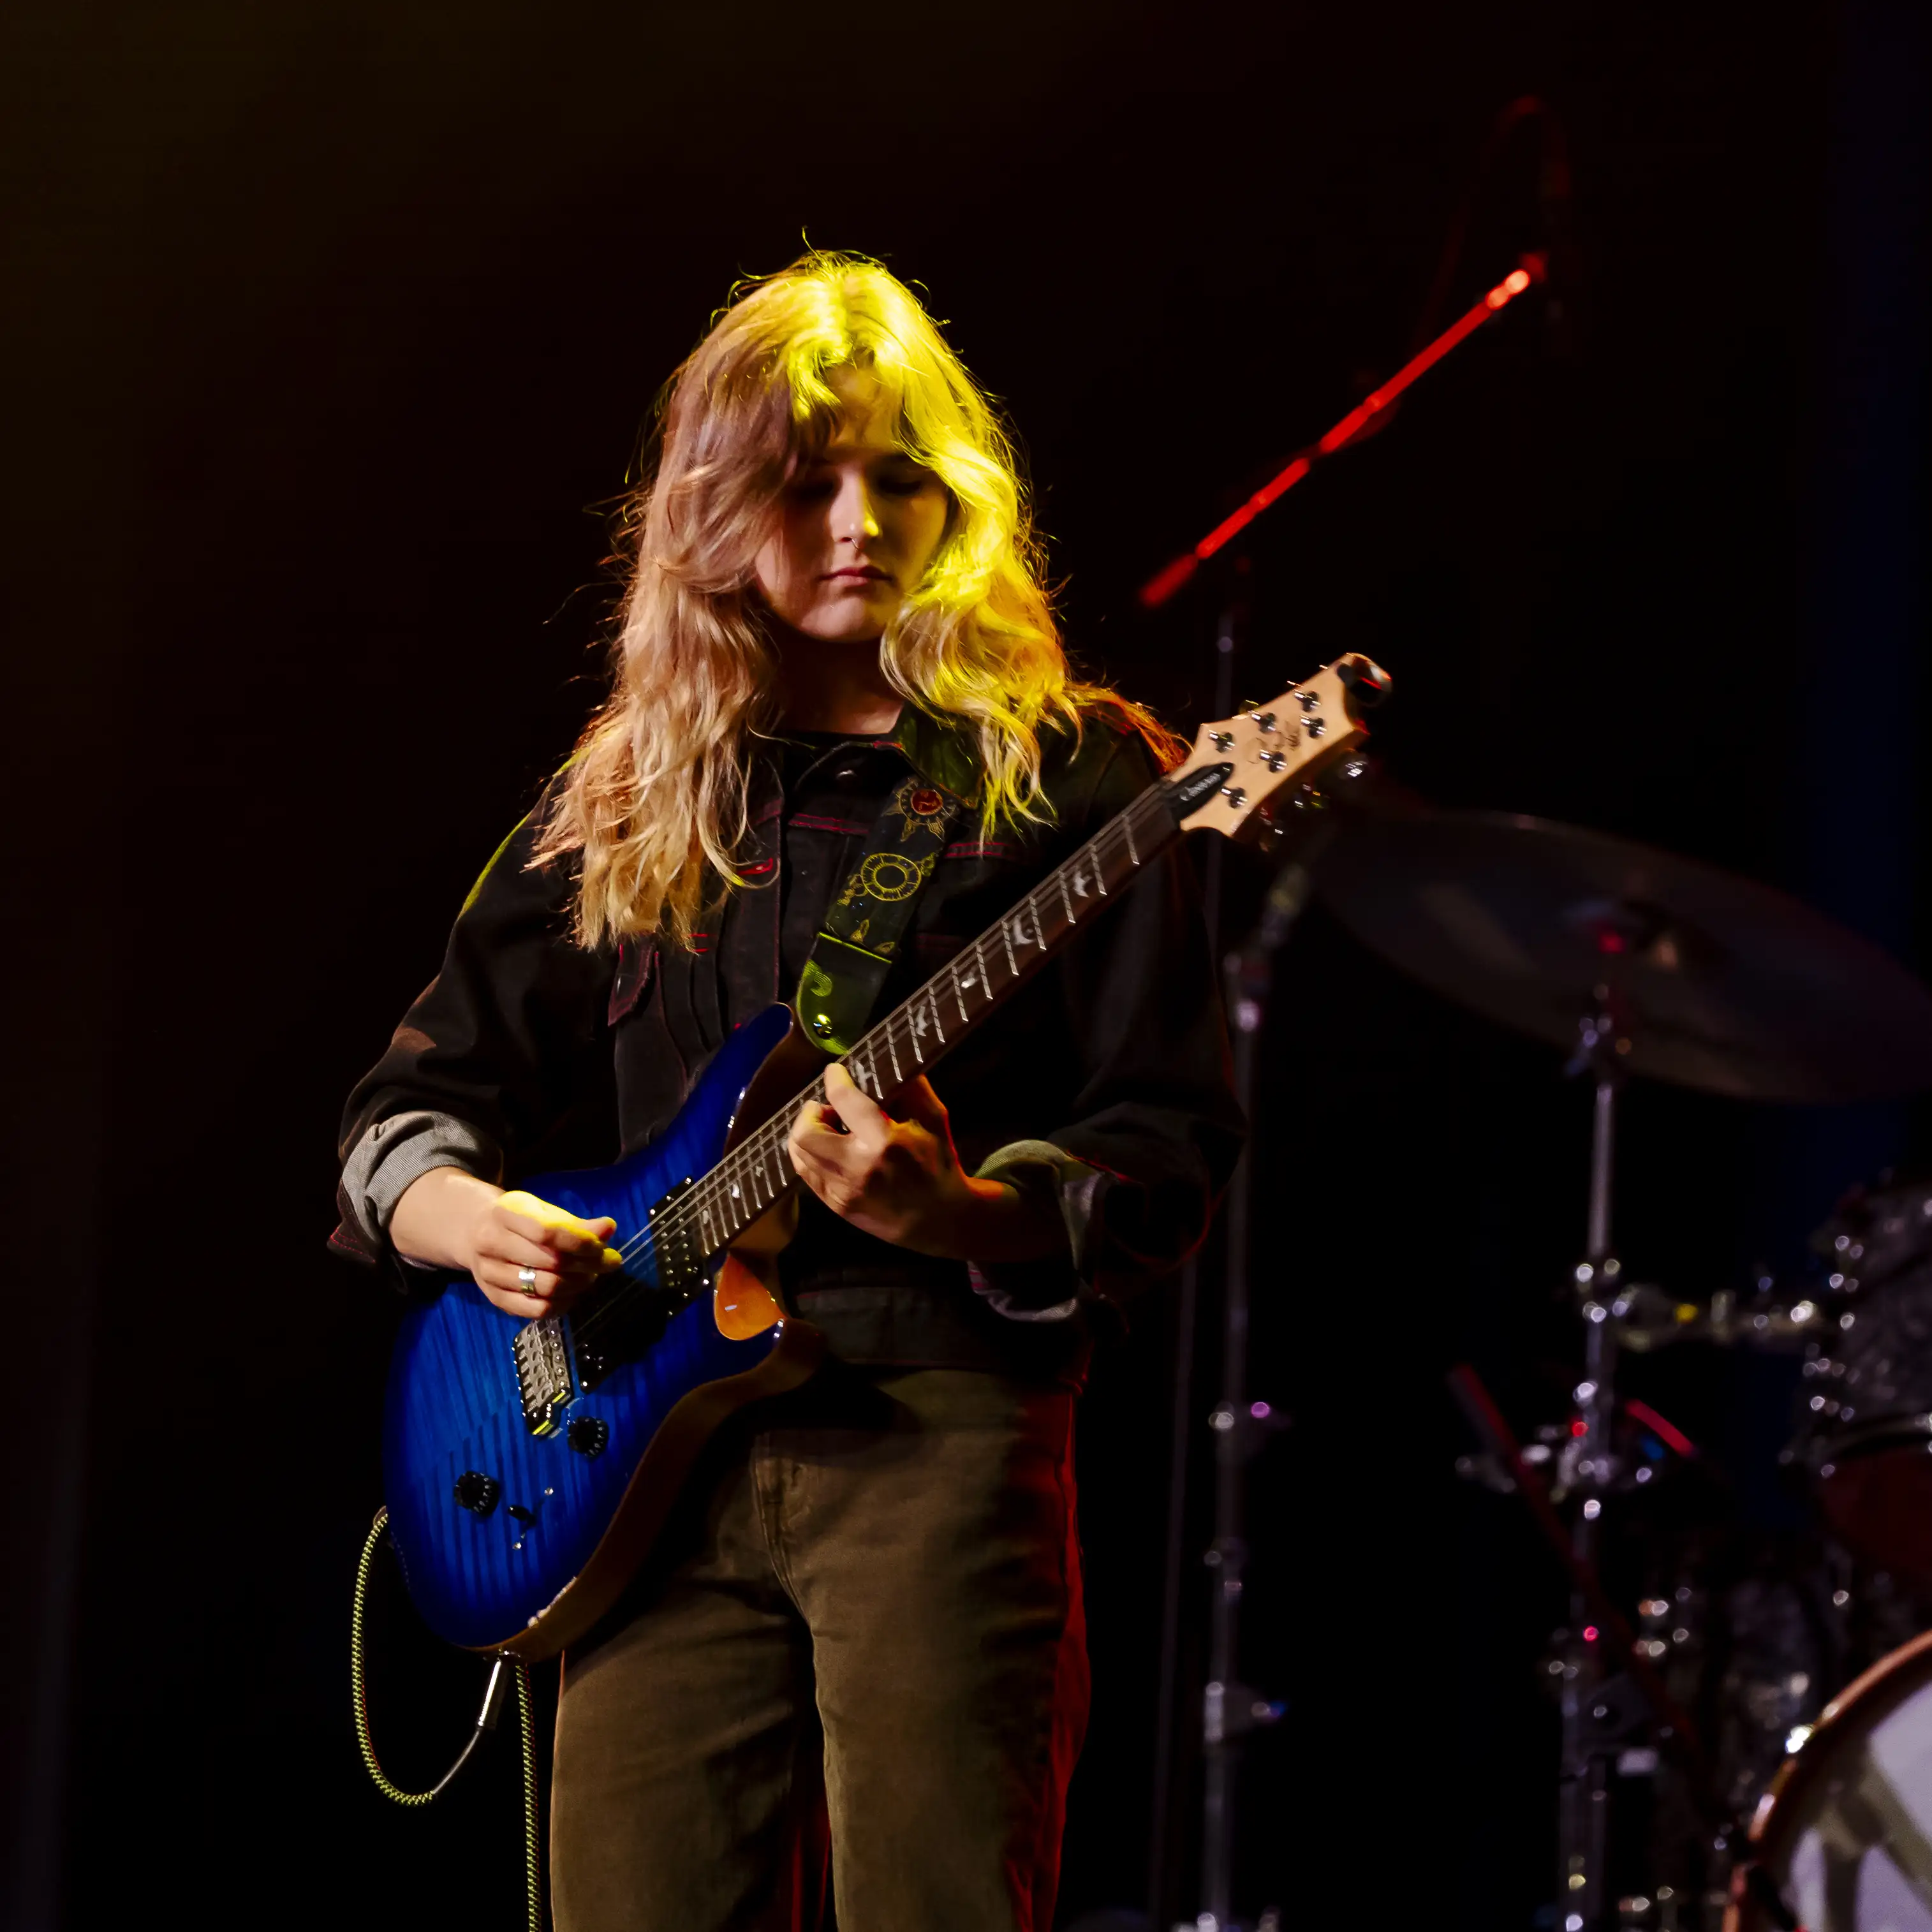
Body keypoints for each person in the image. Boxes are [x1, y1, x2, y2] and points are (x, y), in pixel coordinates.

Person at [333, 253, 1243, 1932]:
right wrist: (474, 1222)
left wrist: (962, 1207)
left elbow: (1172, 1138)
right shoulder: (626, 799)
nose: (857, 517)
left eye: (899, 473)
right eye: (804, 476)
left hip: (933, 1433)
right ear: (712, 507)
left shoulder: (1076, 777)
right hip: (638, 1477)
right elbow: (406, 1109)